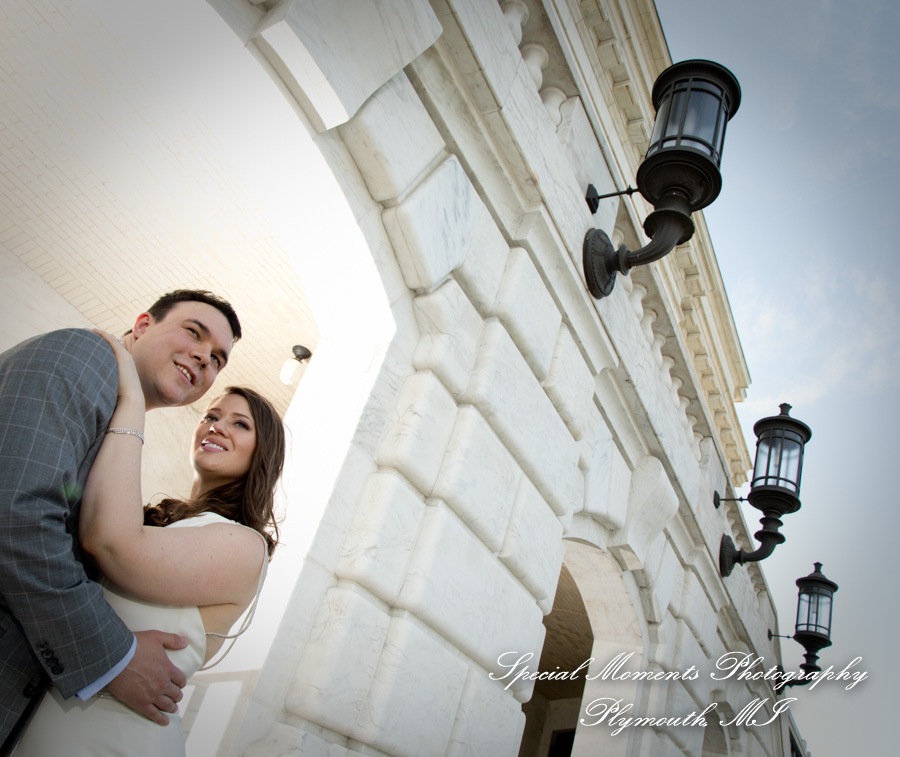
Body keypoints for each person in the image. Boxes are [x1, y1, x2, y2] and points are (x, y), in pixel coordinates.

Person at [14, 327, 285, 755]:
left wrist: (133, 399)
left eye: (240, 423)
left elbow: (113, 546)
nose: (216, 426)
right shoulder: (163, 524)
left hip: (114, 738)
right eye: (211, 415)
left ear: (262, 453)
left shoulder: (244, 546)